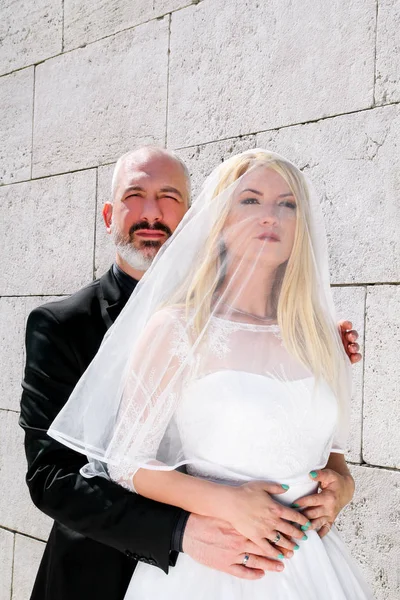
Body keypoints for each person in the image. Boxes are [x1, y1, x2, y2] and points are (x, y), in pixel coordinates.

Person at [48, 149, 372, 599]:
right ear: (217, 221)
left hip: (313, 567)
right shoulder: (178, 328)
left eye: (288, 204)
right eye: (250, 200)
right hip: (216, 567)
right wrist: (225, 503)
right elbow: (125, 463)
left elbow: (330, 456)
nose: (271, 216)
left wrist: (343, 486)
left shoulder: (319, 337)